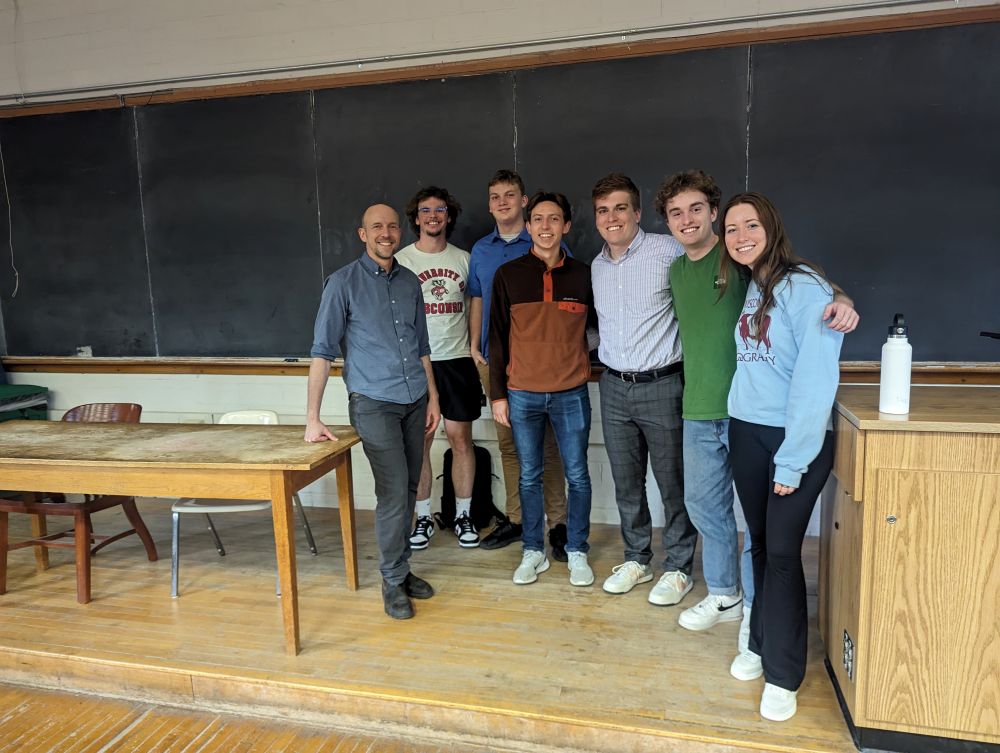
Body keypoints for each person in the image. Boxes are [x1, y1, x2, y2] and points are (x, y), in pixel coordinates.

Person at [655, 171, 859, 648]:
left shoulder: (740, 263)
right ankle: (726, 595)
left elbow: (806, 281)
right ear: (667, 222)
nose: (687, 220)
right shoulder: (682, 270)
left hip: (755, 417)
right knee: (707, 509)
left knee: (759, 527)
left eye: (697, 210)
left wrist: (842, 298)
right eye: (675, 213)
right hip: (703, 406)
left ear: (713, 213)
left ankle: (755, 608)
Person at [720, 192, 843, 722]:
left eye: (751, 225)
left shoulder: (806, 286)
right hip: (747, 432)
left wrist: (792, 461)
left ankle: (785, 673)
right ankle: (760, 641)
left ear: (771, 226)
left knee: (786, 552)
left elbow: (816, 381)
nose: (741, 235)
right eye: (732, 229)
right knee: (762, 544)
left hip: (796, 442)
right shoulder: (753, 286)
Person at [305, 204, 441, 621]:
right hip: (374, 402)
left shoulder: (410, 283)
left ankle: (401, 570)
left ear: (400, 232)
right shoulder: (342, 283)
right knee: (394, 490)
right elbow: (322, 353)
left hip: (415, 399)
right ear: (363, 234)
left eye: (392, 226)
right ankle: (391, 578)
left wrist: (433, 397)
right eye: (376, 227)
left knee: (410, 487)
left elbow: (422, 348)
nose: (386, 233)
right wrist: (312, 416)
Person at [589, 173, 697, 607]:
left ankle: (679, 568)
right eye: (602, 210)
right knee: (626, 482)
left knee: (672, 483)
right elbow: (602, 329)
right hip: (613, 387)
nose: (611, 217)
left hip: (663, 385)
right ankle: (637, 558)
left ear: (636, 213)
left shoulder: (668, 251)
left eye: (619, 208)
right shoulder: (596, 266)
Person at [488, 191, 596, 587]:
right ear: (528, 225)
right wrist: (498, 395)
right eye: (538, 219)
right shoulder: (509, 275)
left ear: (566, 226)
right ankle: (533, 550)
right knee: (529, 475)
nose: (546, 226)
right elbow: (496, 339)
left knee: (578, 475)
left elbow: (599, 329)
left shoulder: (585, 275)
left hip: (571, 393)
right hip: (522, 394)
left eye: (554, 219)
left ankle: (578, 549)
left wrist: (576, 355)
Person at [468, 170, 569, 561]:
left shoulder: (547, 239)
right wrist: (473, 345)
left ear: (525, 202)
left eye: (511, 195)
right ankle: (517, 519)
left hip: (539, 363)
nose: (503, 202)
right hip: (494, 361)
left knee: (548, 448)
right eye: (495, 197)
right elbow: (477, 298)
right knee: (509, 445)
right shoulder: (481, 250)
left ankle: (557, 525)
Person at [396, 186, 483, 550]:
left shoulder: (464, 259)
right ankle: (423, 518)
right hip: (418, 365)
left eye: (440, 210)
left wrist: (474, 346)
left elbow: (475, 302)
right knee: (421, 444)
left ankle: (463, 514)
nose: (433, 216)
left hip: (457, 361)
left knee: (461, 439)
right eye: (426, 210)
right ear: (416, 217)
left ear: (449, 216)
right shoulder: (401, 260)